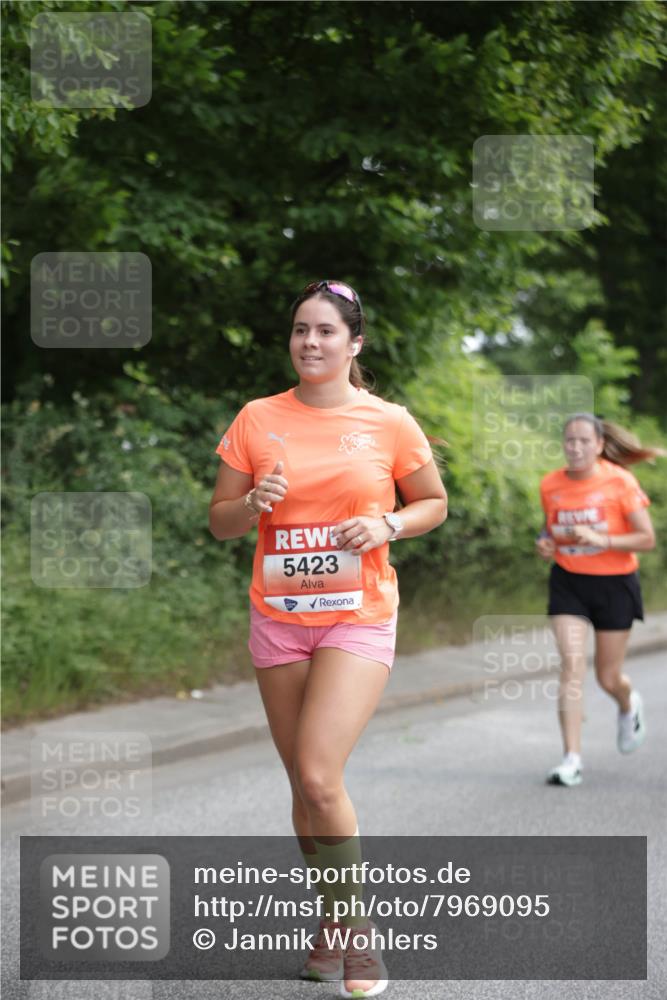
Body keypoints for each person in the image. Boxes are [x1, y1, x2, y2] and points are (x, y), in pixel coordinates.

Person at [209, 280, 447, 997]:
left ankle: (360, 936)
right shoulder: (256, 418)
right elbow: (219, 520)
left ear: (354, 344)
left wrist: (386, 524)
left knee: (318, 773)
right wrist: (249, 504)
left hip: (357, 612)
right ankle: (330, 925)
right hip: (278, 617)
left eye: (324, 332)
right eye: (299, 330)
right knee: (303, 788)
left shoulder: (388, 422)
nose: (309, 342)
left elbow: (432, 502)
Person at [536, 413, 662, 787]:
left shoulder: (620, 482)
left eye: (583, 441)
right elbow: (551, 527)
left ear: (600, 445)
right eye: (569, 441)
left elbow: (647, 539)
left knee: (608, 677)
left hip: (615, 584)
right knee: (571, 666)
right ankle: (571, 759)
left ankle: (627, 704)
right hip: (569, 582)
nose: (575, 447)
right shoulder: (551, 484)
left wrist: (601, 539)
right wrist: (545, 543)